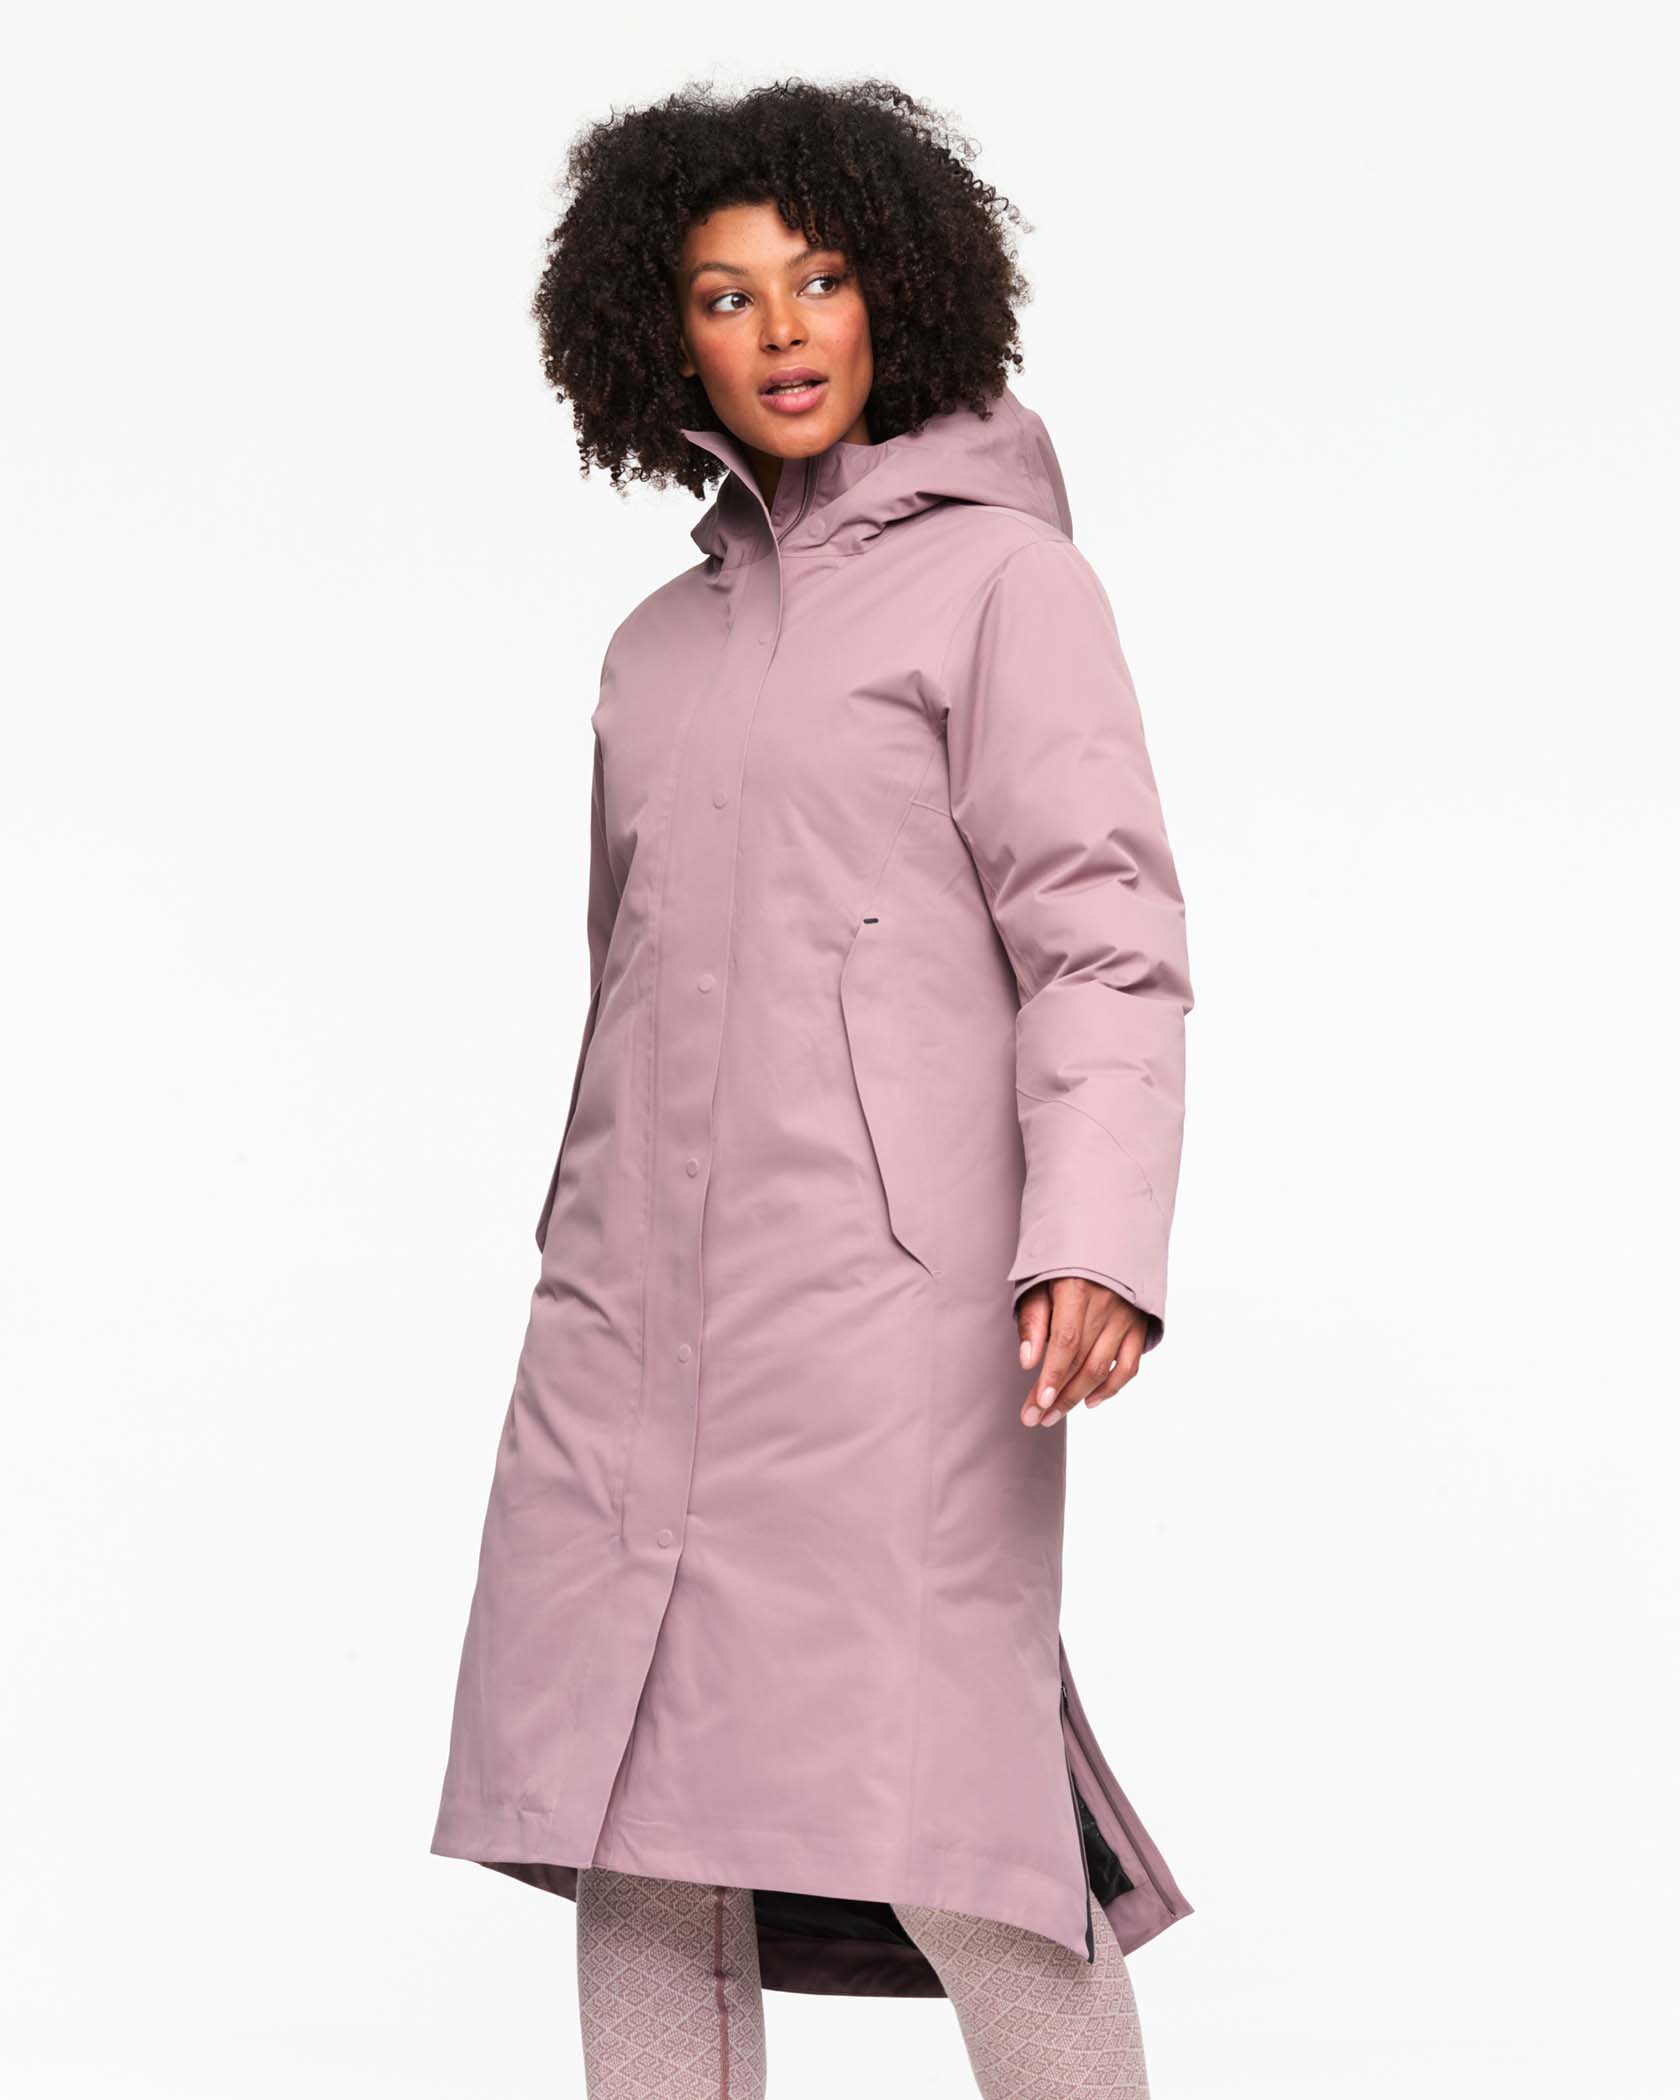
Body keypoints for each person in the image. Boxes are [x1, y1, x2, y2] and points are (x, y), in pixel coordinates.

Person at [431, 77, 1196, 2098]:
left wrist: (1095, 1234)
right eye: (724, 294)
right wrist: (576, 1248)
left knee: (957, 1816)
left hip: (891, 1311)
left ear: (900, 293)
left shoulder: (1007, 588)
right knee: (632, 1824)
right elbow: (621, 981)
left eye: (822, 278)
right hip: (627, 1325)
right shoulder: (652, 652)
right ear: (655, 335)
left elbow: (1103, 936)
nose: (780, 329)